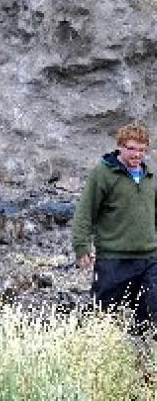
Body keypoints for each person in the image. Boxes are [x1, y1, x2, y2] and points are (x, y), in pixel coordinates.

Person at [72, 123, 157, 331]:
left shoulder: (151, 173)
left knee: (150, 313)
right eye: (131, 148)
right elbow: (85, 211)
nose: (137, 154)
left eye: (141, 150)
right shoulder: (103, 173)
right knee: (102, 316)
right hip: (113, 259)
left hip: (149, 258)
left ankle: (143, 358)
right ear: (119, 146)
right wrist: (81, 246)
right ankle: (89, 351)